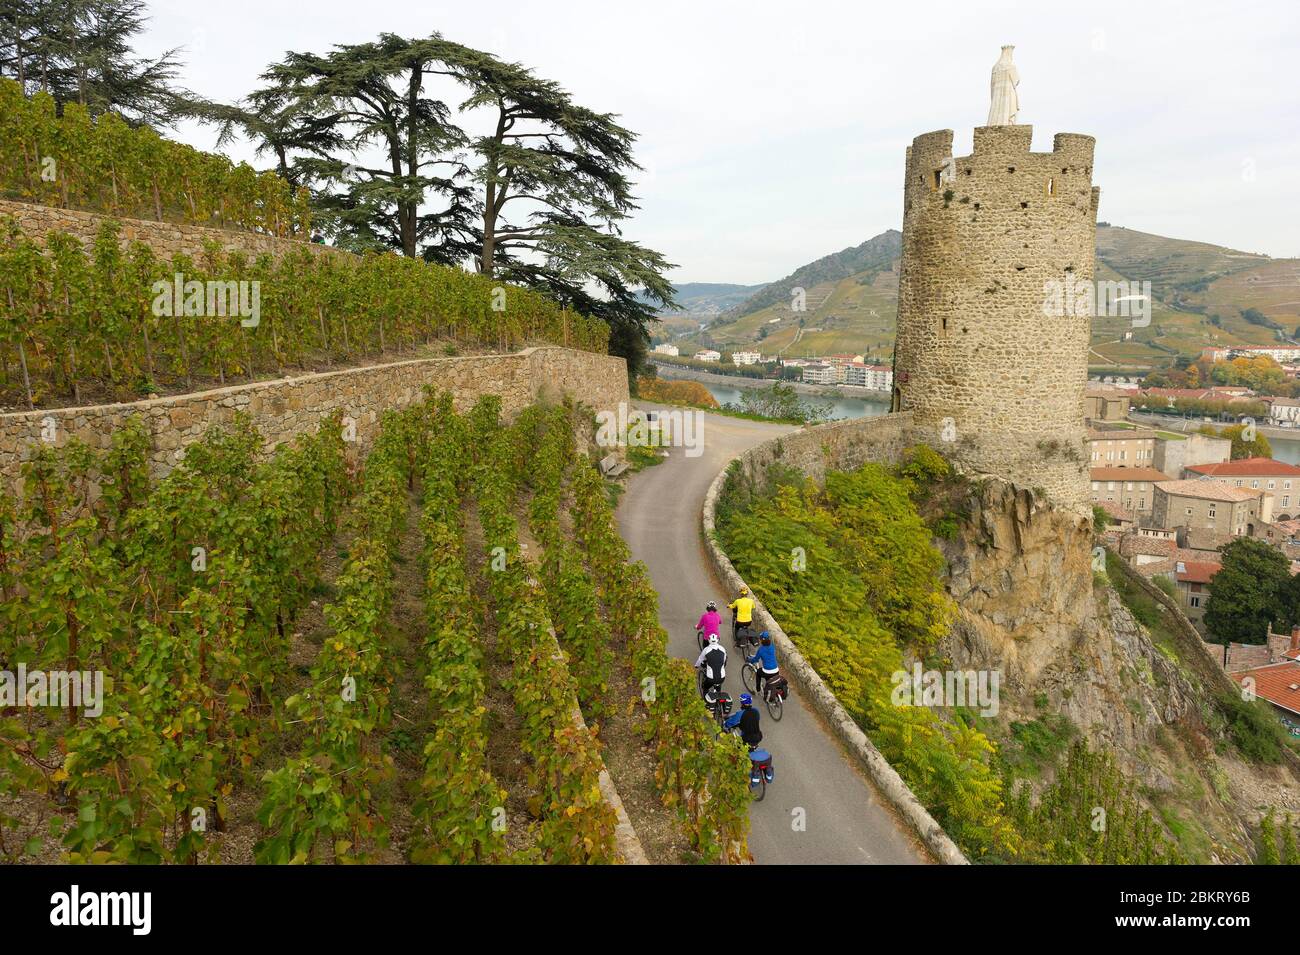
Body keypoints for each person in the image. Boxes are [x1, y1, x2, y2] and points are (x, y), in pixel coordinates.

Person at [747, 632, 779, 697]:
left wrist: (749, 659)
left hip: (767, 671)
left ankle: (757, 690)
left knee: (758, 673)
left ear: (761, 640)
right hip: (776, 670)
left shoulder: (761, 649)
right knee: (769, 680)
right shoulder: (772, 646)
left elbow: (755, 659)